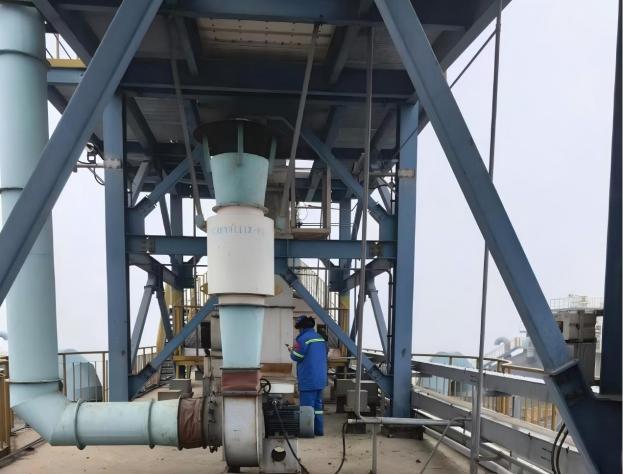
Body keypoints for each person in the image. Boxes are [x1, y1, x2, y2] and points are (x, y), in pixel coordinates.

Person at [288, 315, 327, 436]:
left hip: (308, 378)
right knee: (318, 407)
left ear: (301, 328)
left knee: (306, 407)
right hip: (320, 378)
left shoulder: (302, 339)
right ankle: (318, 431)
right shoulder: (320, 338)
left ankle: (307, 432)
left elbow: (297, 356)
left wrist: (292, 351)